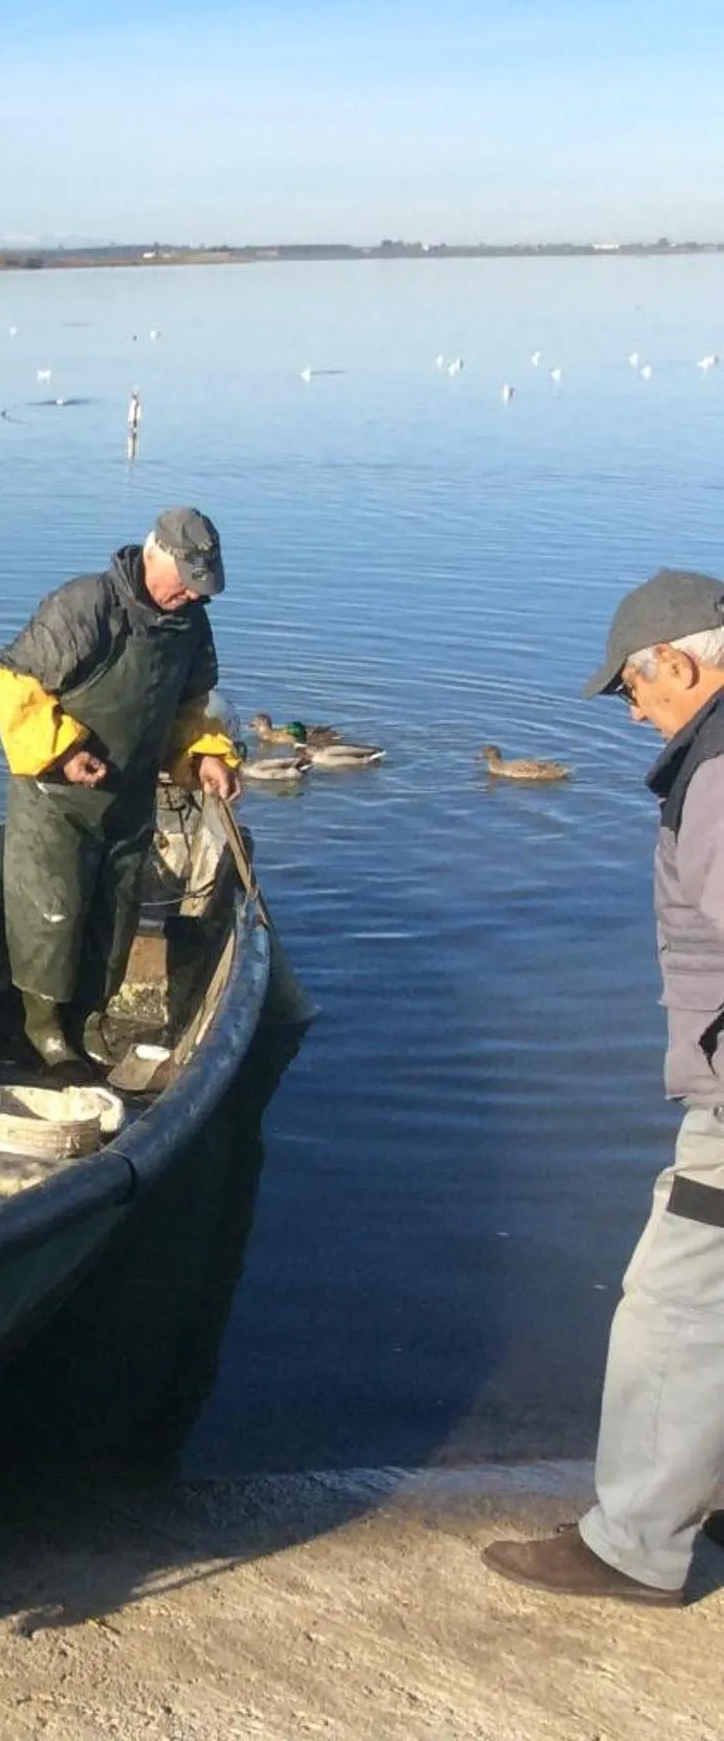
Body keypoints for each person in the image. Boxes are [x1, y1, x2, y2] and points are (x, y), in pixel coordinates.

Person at [484, 570, 724, 1605]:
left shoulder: (718, 771)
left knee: (672, 1310)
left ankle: (635, 1544)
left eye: (632, 688)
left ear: (679, 663)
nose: (632, 711)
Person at [0, 508, 242, 1069]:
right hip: (56, 802)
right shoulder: (86, 606)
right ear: (157, 556)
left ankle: (89, 1021)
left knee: (115, 916)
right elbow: (11, 681)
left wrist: (203, 757)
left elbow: (190, 707)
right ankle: (44, 1028)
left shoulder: (190, 624)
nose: (196, 598)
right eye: (188, 585)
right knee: (52, 915)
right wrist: (62, 752)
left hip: (129, 800)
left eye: (204, 589)